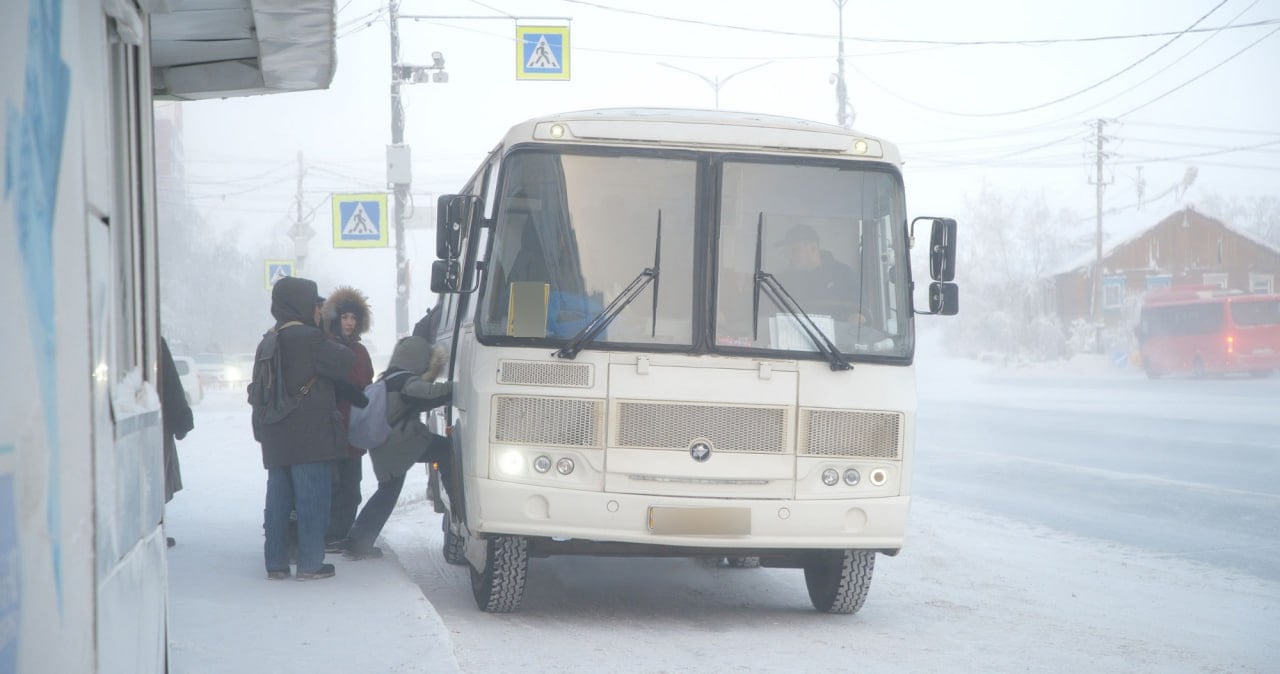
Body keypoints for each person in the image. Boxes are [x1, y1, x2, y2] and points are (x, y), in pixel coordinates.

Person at [254, 276, 355, 581]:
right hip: (309, 435)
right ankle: (311, 563)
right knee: (313, 500)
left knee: (278, 501)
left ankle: (276, 563)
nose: (318, 310)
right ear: (302, 305)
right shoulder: (310, 339)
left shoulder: (268, 339)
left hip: (275, 434)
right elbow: (345, 362)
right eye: (314, 304)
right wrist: (323, 331)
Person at [339, 310, 452, 560]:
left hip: (386, 444)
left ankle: (359, 540)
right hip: (400, 443)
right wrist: (455, 388)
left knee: (388, 490)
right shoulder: (407, 382)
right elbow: (429, 393)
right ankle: (455, 497)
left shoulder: (389, 377)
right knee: (447, 450)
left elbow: (411, 402)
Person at [320, 286, 375, 551]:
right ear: (335, 318)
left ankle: (341, 533)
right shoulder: (325, 345)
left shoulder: (361, 352)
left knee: (352, 487)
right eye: (345, 317)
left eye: (354, 318)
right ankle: (328, 534)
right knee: (332, 484)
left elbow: (367, 381)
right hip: (329, 427)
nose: (350, 323)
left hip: (354, 428)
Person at [775, 223, 864, 323]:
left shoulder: (845, 274)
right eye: (787, 252)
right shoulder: (784, 280)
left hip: (838, 335)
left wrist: (854, 317)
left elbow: (861, 315)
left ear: (812, 248)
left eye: (793, 250)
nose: (789, 257)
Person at [159, 336, 194, 548]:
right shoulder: (154, 341)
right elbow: (170, 381)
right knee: (158, 477)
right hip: (160, 425)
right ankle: (157, 526)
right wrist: (181, 418)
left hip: (159, 422)